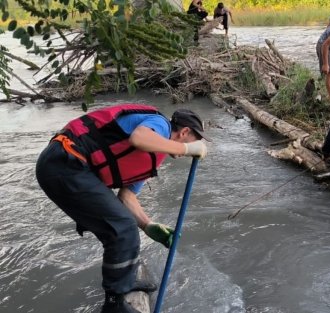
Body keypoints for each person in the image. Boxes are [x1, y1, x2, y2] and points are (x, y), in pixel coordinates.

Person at [36, 104, 210, 313]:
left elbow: (126, 197)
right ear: (184, 132)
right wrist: (186, 149)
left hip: (70, 168)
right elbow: (139, 138)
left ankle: (123, 284)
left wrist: (148, 225)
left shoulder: (154, 155)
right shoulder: (160, 125)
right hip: (64, 162)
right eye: (195, 140)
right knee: (123, 228)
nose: (194, 147)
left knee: (121, 226)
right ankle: (114, 304)